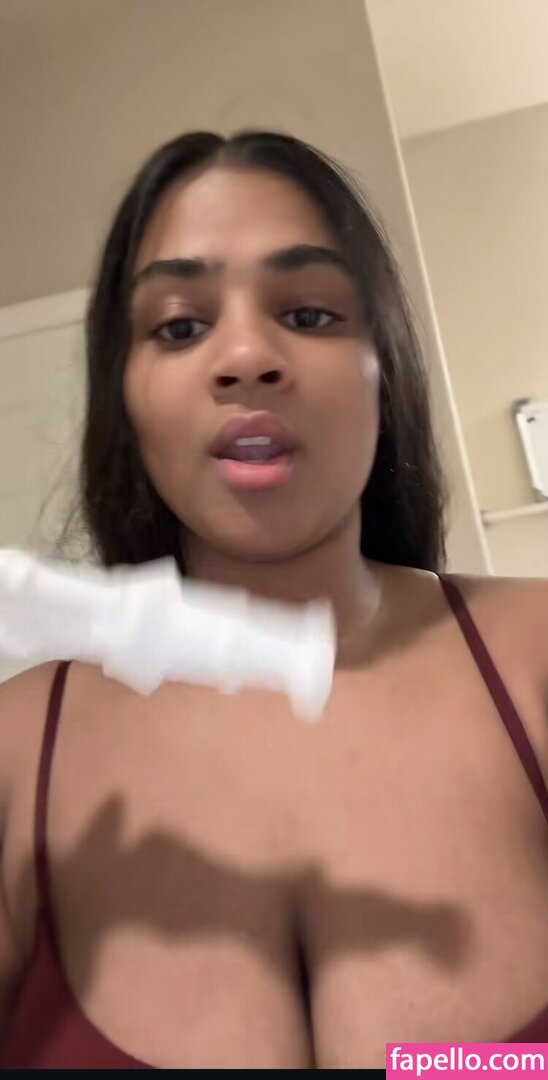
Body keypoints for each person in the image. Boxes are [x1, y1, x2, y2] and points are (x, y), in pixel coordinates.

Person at [0, 130, 547, 1070]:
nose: (247, 356)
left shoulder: (536, 659)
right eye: (180, 327)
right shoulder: (14, 753)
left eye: (308, 312)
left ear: (385, 367)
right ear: (123, 398)